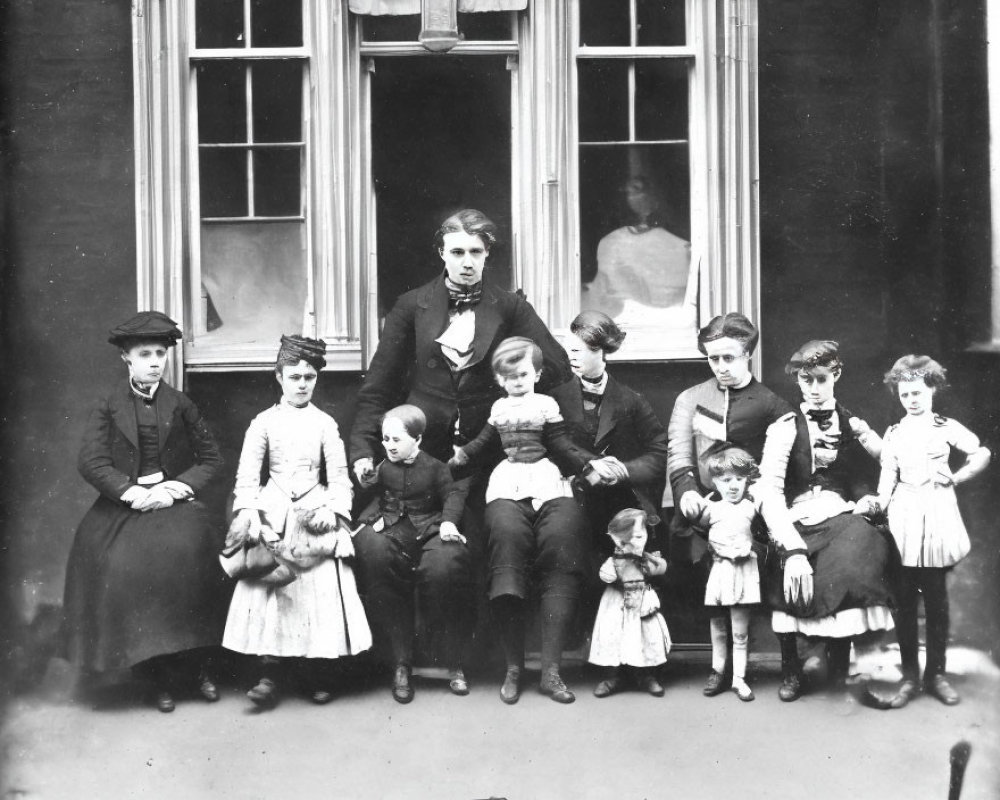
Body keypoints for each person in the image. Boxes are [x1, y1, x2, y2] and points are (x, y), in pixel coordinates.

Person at [349, 208, 585, 697]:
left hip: (490, 456)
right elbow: (377, 389)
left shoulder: (508, 306)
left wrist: (557, 443)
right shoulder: (412, 306)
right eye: (457, 252)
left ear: (487, 255)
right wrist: (362, 449)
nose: (467, 262)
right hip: (425, 457)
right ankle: (413, 661)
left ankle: (486, 664)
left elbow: (557, 370)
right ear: (441, 253)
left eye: (476, 252)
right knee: (400, 551)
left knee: (481, 544)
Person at [63, 311, 226, 713]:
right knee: (125, 565)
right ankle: (154, 676)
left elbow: (211, 458)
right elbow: (92, 462)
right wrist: (131, 491)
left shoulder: (181, 404)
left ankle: (197, 668)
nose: (155, 361)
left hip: (172, 500)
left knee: (195, 553)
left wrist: (175, 488)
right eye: (145, 354)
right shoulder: (108, 405)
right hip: (126, 504)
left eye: (160, 353)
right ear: (126, 359)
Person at [667, 313, 814, 701]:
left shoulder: (771, 405)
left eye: (729, 358)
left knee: (772, 560)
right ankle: (717, 667)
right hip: (703, 509)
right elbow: (679, 455)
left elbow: (775, 477)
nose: (721, 368)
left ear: (747, 354)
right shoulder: (690, 399)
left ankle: (780, 666)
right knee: (687, 551)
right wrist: (685, 490)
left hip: (755, 513)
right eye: (713, 359)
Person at [222, 335, 371, 709]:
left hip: (313, 511)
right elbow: (246, 479)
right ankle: (269, 673)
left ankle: (317, 672)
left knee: (316, 590)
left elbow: (339, 479)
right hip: (273, 507)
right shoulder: (263, 423)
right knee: (272, 589)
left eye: (309, 377)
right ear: (279, 377)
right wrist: (253, 515)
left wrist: (332, 511)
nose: (302, 383)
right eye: (294, 376)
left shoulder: (325, 424)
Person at [450, 337, 597, 705]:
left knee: (563, 535)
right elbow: (483, 442)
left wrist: (587, 465)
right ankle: (513, 667)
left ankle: (551, 670)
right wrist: (460, 457)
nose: (518, 382)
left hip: (545, 476)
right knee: (506, 540)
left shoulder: (545, 404)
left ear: (537, 374)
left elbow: (561, 443)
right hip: (508, 478)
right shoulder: (499, 409)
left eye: (524, 374)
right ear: (500, 380)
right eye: (510, 377)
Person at [757, 340, 896, 702]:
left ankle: (840, 669)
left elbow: (893, 461)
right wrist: (791, 547)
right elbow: (768, 490)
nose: (815, 389)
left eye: (821, 379)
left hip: (840, 513)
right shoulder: (786, 426)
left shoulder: (852, 422)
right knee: (790, 569)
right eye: (806, 381)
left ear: (836, 375)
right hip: (795, 518)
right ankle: (792, 670)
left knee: (861, 548)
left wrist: (876, 498)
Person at [860, 355, 990, 708]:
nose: (912, 400)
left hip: (936, 515)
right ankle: (909, 677)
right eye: (905, 395)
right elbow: (886, 483)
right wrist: (875, 503)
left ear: (932, 389)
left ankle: (936, 675)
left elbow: (981, 452)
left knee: (936, 599)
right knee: (903, 600)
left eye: (917, 392)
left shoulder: (946, 427)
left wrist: (957, 476)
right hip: (903, 517)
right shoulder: (894, 433)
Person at [352, 404, 471, 703]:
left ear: (417, 439)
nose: (389, 446)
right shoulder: (384, 465)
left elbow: (454, 495)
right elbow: (370, 489)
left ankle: (453, 663)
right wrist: (366, 478)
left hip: (429, 527)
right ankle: (400, 663)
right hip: (391, 526)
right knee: (374, 554)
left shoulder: (435, 467)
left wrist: (447, 523)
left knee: (444, 567)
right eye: (385, 439)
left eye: (396, 440)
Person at [563, 311, 669, 551]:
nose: (570, 356)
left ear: (599, 351)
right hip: (571, 496)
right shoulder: (557, 396)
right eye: (568, 350)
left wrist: (624, 471)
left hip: (617, 498)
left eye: (577, 351)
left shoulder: (630, 400)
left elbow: (659, 450)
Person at [688, 448, 768, 703]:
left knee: (740, 631)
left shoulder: (752, 507)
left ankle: (739, 679)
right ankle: (717, 671)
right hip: (721, 571)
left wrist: (752, 549)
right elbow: (696, 533)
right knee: (718, 627)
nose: (733, 486)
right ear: (714, 482)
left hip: (744, 571)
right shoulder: (711, 508)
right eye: (725, 480)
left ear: (747, 480)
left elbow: (764, 538)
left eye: (739, 479)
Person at [583, 176, 692, 322]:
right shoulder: (612, 242)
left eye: (638, 190)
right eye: (630, 192)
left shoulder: (684, 244)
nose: (634, 197)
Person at [587, 508, 671, 699]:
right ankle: (612, 676)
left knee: (644, 634)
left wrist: (651, 564)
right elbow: (605, 576)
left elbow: (660, 568)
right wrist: (616, 566)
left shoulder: (645, 559)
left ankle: (645, 675)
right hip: (617, 602)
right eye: (633, 537)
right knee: (615, 634)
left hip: (641, 601)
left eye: (642, 535)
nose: (639, 541)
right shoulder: (614, 560)